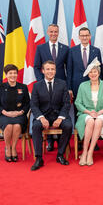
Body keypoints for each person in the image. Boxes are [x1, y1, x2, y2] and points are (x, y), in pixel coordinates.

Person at [30, 60, 72, 171]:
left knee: (68, 126)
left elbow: (67, 103)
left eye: (52, 69)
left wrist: (60, 118)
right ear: (43, 71)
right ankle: (39, 158)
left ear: (55, 70)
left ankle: (60, 155)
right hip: (43, 115)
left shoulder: (62, 84)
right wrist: (41, 118)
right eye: (47, 69)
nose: (50, 71)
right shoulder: (37, 86)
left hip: (59, 115)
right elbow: (34, 105)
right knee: (36, 126)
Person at [34, 24, 70, 152]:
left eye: (56, 31)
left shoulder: (65, 48)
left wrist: (68, 86)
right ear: (48, 32)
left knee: (59, 110)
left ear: (58, 33)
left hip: (60, 85)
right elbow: (36, 66)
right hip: (45, 84)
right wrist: (42, 83)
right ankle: (49, 141)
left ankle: (60, 142)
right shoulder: (41, 48)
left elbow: (68, 68)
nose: (54, 33)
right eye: (51, 31)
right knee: (47, 110)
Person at [74, 59, 103, 166]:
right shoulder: (82, 86)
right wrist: (89, 112)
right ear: (88, 74)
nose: (93, 74)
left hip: (102, 114)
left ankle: (90, 153)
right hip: (86, 114)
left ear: (99, 73)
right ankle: (84, 152)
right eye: (91, 72)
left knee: (98, 121)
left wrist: (100, 112)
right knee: (91, 121)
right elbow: (78, 103)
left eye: (95, 71)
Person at [0, 64, 30, 162]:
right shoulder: (1, 87)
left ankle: (13, 148)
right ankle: (7, 148)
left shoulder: (23, 87)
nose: (13, 75)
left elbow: (28, 103)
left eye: (14, 73)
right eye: (10, 73)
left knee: (17, 126)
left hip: (20, 115)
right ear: (6, 75)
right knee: (9, 126)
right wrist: (5, 112)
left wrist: (21, 112)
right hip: (4, 115)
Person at [67, 27, 102, 100]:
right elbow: (69, 70)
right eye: (82, 36)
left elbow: (99, 70)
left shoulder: (96, 51)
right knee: (78, 108)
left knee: (92, 108)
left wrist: (100, 85)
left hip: (93, 85)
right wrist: (69, 88)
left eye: (86, 35)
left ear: (90, 36)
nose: (84, 37)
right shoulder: (72, 51)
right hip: (76, 86)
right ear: (79, 37)